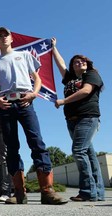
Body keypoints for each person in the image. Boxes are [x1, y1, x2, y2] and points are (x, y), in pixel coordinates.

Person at [0, 27, 67, 205]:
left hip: (25, 101)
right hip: (6, 104)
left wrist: (34, 94)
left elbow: (37, 79)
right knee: (11, 146)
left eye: (5, 34)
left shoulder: (24, 55)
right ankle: (19, 193)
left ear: (11, 38)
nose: (3, 37)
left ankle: (47, 190)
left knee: (36, 142)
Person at [52, 37, 105, 201]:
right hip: (72, 120)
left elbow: (86, 91)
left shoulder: (91, 75)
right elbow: (60, 64)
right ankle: (98, 192)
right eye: (75, 61)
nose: (79, 62)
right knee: (89, 154)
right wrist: (53, 48)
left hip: (88, 118)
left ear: (87, 64)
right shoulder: (69, 79)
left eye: (82, 60)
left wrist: (63, 101)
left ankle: (87, 192)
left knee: (79, 151)